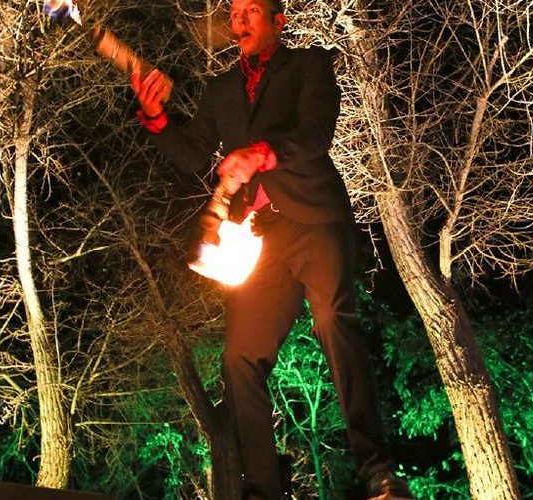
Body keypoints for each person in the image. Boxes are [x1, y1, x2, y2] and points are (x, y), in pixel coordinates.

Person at [131, 0, 414, 498]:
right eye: (234, 12)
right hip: (260, 236)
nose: (239, 20)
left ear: (278, 21)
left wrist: (260, 154)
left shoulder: (309, 66)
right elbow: (191, 154)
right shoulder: (221, 91)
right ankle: (261, 491)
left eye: (252, 11)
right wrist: (155, 117)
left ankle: (378, 473)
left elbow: (316, 134)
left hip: (314, 220)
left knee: (333, 319)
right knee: (239, 357)